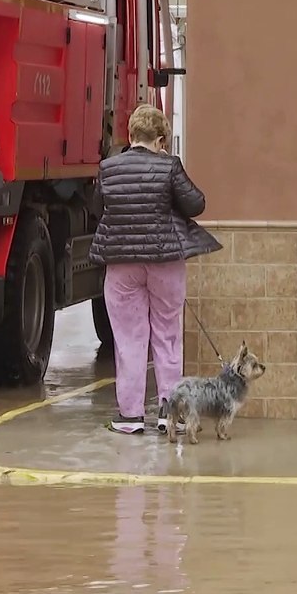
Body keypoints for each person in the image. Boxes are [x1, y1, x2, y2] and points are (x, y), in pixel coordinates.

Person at [90, 103, 222, 434]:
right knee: (167, 336)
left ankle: (131, 416)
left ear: (131, 135)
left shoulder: (108, 168)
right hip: (165, 262)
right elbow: (196, 203)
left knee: (129, 340)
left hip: (121, 265)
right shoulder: (169, 167)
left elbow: (96, 207)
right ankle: (169, 412)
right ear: (161, 139)